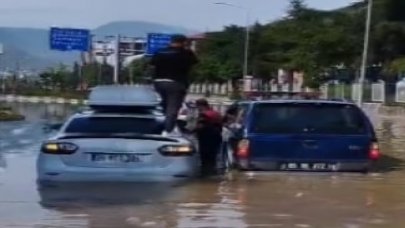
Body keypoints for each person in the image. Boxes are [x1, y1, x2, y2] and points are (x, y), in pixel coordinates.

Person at [150, 34, 199, 136]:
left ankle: (156, 125)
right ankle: (167, 131)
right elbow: (194, 63)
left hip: (159, 82)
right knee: (172, 108)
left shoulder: (160, 52)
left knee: (161, 106)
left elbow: (152, 65)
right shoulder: (186, 53)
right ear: (184, 42)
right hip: (176, 83)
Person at [194, 98, 223, 176]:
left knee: (205, 160)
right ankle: (213, 173)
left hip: (206, 140)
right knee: (213, 158)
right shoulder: (216, 113)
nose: (198, 109)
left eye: (198, 107)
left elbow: (200, 127)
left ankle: (206, 175)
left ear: (201, 106)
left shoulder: (204, 114)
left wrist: (193, 130)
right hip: (216, 139)